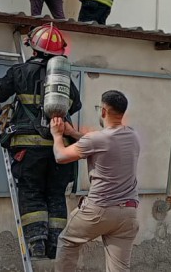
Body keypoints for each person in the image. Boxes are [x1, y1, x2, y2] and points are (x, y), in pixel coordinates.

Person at [0, 23, 82, 259]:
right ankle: (55, 245)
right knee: (56, 194)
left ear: (34, 48)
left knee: (31, 191)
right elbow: (76, 104)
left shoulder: (20, 72)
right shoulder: (63, 78)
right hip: (61, 148)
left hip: (28, 149)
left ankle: (37, 243)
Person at [49, 90, 140, 272]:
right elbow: (100, 144)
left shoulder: (96, 139)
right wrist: (73, 132)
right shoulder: (132, 136)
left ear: (104, 111)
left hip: (98, 211)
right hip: (128, 214)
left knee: (67, 241)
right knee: (119, 268)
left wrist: (57, 135)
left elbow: (60, 156)